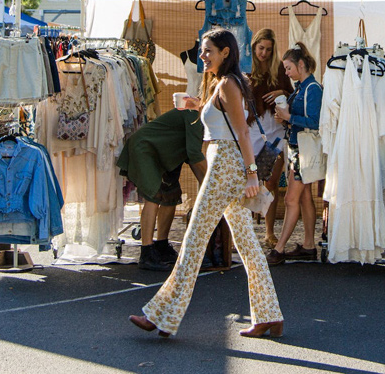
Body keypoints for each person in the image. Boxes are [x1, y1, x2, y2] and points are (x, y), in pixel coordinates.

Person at [130, 29, 283, 339]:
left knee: (194, 241)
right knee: (248, 245)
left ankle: (162, 316)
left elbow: (241, 133)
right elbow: (229, 124)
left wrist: (252, 175)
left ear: (225, 52)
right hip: (225, 164)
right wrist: (197, 106)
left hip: (224, 166)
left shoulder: (227, 84)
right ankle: (270, 315)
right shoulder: (225, 83)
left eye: (208, 50)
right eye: (203, 51)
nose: (202, 55)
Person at [117, 105, 209, 271]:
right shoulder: (195, 114)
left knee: (171, 196)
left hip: (165, 155)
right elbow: (195, 155)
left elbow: (191, 155)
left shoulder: (202, 116)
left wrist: (207, 186)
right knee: (154, 195)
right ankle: (146, 252)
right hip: (146, 148)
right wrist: (210, 183)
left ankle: (161, 245)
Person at [266, 41, 322, 265]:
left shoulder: (312, 89)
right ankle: (309, 246)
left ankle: (279, 249)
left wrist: (289, 119)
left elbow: (316, 122)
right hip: (298, 148)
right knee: (305, 196)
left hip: (303, 150)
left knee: (291, 199)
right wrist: (285, 118)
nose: (286, 73)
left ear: (301, 64)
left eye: (289, 68)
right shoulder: (302, 88)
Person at [248, 28, 290, 246]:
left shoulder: (280, 70)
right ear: (254, 46)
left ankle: (269, 232)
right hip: (252, 130)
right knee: (248, 181)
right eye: (261, 48)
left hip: (275, 129)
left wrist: (282, 93)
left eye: (268, 49)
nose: (263, 53)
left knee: (271, 182)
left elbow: (292, 92)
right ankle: (244, 230)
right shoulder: (245, 69)